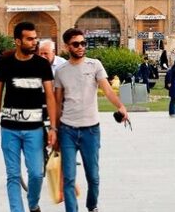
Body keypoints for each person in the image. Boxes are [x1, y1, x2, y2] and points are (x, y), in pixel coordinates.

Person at [54, 28, 128, 212]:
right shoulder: (61, 71)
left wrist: (121, 106)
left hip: (91, 131)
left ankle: (92, 205)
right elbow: (57, 104)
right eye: (76, 44)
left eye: (83, 43)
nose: (81, 47)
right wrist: (54, 130)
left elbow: (108, 90)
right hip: (67, 130)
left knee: (93, 177)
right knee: (69, 178)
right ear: (67, 46)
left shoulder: (95, 65)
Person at [0, 21, 57, 212]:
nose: (34, 42)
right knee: (12, 175)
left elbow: (50, 97)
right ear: (18, 41)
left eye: (35, 38)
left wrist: (52, 127)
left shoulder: (42, 65)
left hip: (34, 130)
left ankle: (33, 203)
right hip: (9, 129)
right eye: (29, 39)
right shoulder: (5, 64)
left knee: (36, 173)